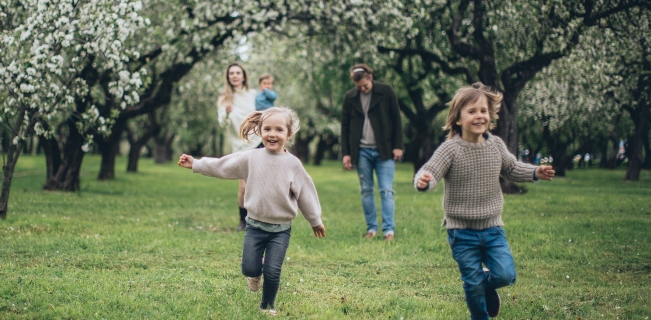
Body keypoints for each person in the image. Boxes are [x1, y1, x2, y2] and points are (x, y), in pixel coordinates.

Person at [414, 83, 555, 320]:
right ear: (458, 119)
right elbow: (430, 171)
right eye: (472, 111)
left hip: (492, 229)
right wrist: (423, 180)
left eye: (484, 111)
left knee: (505, 275)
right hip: (461, 232)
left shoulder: (496, 146)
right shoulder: (450, 149)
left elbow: (512, 168)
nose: (479, 116)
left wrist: (534, 172)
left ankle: (487, 285)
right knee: (472, 283)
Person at [178, 107, 326, 315]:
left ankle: (267, 306)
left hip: (280, 230)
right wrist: (196, 163)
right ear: (259, 131)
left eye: (279, 129)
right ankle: (255, 273)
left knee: (273, 272)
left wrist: (315, 220)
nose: (272, 134)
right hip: (254, 226)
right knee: (249, 268)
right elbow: (223, 166)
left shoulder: (293, 164)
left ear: (288, 134)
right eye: (267, 129)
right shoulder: (251, 158)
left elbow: (306, 194)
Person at [340, 63, 403, 241]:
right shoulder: (350, 97)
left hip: (385, 149)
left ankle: (388, 230)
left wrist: (398, 146)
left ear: (370, 78)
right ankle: (372, 228)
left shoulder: (386, 91)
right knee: (366, 190)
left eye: (365, 85)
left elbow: (396, 119)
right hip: (361, 152)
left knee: (386, 190)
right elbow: (345, 126)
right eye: (359, 87)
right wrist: (346, 152)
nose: (363, 89)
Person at [217, 62, 261, 231]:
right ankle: (243, 221)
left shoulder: (253, 94)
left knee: (258, 184)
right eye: (231, 73)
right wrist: (227, 113)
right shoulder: (225, 98)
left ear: (243, 76)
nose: (234, 75)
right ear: (228, 77)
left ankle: (258, 220)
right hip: (240, 146)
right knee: (244, 186)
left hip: (258, 142)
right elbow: (222, 122)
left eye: (237, 72)